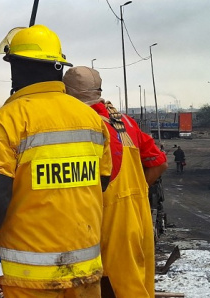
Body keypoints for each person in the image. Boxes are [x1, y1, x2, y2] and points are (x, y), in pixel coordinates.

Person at [0, 25, 112, 298]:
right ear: (58, 66)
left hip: (29, 279)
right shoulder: (91, 119)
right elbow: (102, 181)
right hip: (85, 272)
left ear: (17, 67)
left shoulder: (8, 120)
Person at [63, 67, 168, 298]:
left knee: (99, 286)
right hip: (137, 218)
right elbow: (159, 163)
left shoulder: (85, 124)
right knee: (134, 288)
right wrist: (136, 192)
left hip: (105, 224)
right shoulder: (124, 121)